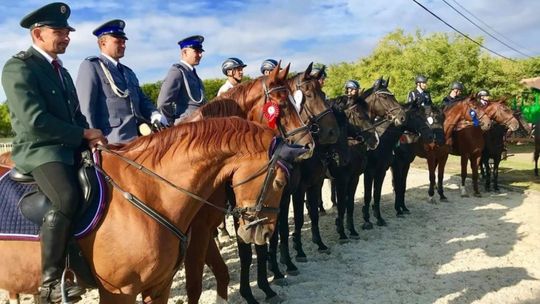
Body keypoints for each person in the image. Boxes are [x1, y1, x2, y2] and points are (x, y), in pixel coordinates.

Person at [1, 3, 107, 302]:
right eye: (59, 32)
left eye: (67, 32)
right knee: (66, 197)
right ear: (38, 33)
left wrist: (92, 137)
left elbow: (76, 115)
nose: (66, 37)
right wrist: (82, 134)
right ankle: (50, 281)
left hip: (72, 145)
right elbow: (35, 120)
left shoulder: (62, 71)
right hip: (40, 150)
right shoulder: (18, 67)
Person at [76, 19, 164, 144]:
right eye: (118, 41)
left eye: (124, 42)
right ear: (103, 42)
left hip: (140, 138)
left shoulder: (128, 72)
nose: (123, 45)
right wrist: (92, 138)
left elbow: (142, 100)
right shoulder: (92, 66)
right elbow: (86, 108)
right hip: (112, 141)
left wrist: (155, 114)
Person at [157, 35, 206, 124]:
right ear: (184, 52)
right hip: (186, 126)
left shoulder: (194, 75)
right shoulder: (177, 71)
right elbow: (163, 102)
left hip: (199, 125)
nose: (200, 55)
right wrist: (172, 122)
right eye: (196, 51)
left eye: (201, 51)